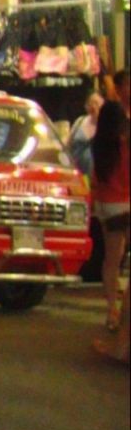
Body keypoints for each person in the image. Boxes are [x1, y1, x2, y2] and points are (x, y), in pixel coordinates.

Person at [90, 70, 129, 364]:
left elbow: (95, 177)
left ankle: (110, 309)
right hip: (123, 204)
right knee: (120, 261)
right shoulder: (122, 146)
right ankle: (117, 315)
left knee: (110, 261)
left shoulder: (98, 145)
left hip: (104, 205)